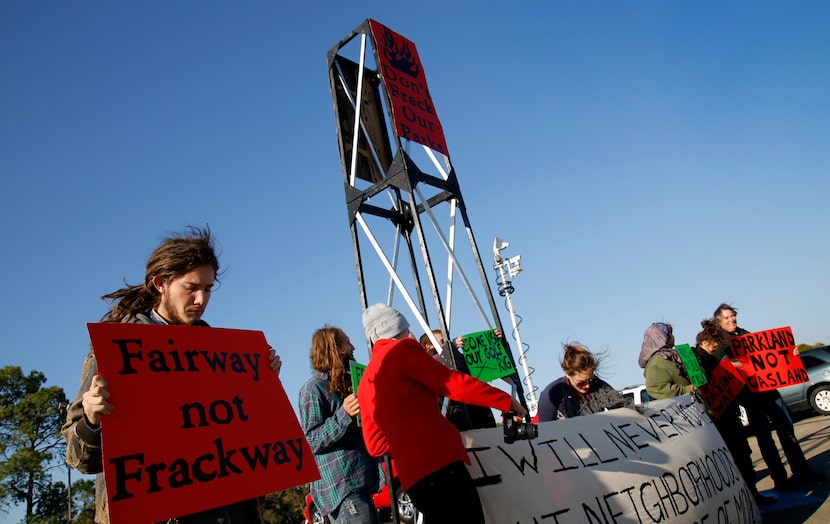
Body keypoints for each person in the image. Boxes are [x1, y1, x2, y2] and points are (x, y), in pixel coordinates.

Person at [61, 226, 284, 524]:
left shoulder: (222, 354)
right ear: (161, 284)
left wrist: (261, 383)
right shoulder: (116, 350)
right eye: (191, 288)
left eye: (208, 288)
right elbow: (79, 459)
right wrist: (91, 420)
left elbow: (244, 435)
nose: (201, 299)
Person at [357, 304, 527, 524]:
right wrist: (505, 401)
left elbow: (375, 446)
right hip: (442, 466)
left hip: (413, 480)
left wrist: (406, 443)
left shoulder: (366, 382)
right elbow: (454, 384)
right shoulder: (403, 351)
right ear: (399, 328)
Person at [714, 303, 826, 488]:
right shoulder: (720, 342)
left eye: (732, 316)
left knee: (786, 428)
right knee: (764, 437)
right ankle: (780, 479)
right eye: (727, 318)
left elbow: (770, 355)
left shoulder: (745, 334)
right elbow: (718, 367)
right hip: (750, 394)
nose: (731, 320)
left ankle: (801, 471)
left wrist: (791, 353)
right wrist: (729, 363)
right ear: (719, 321)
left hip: (769, 389)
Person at [299, 326, 381, 524]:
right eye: (347, 343)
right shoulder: (312, 390)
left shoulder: (347, 383)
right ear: (333, 349)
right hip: (343, 491)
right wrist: (344, 414)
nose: (353, 347)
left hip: (361, 482)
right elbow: (312, 440)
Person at [693, 319, 775, 506]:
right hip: (715, 421)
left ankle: (752, 495)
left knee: (743, 456)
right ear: (705, 343)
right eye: (715, 347)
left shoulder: (717, 354)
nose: (717, 350)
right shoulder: (695, 359)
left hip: (730, 415)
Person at [419, 329, 497, 430]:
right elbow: (437, 364)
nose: (446, 344)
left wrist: (491, 340)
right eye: (443, 342)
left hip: (477, 413)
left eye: (447, 342)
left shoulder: (457, 359)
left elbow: (480, 364)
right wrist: (450, 348)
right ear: (429, 346)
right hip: (455, 416)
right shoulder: (426, 365)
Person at [537, 342, 627, 421]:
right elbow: (546, 430)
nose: (587, 386)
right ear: (568, 374)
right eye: (581, 383)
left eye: (590, 380)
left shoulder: (599, 386)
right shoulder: (551, 394)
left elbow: (623, 411)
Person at [638, 322, 695, 400]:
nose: (673, 337)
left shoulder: (673, 356)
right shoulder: (657, 362)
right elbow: (656, 388)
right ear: (662, 337)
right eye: (670, 334)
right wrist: (687, 390)